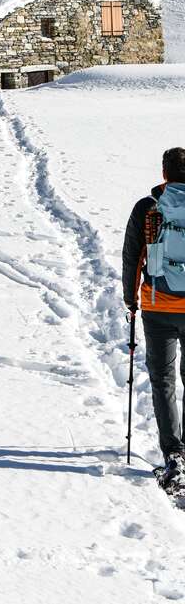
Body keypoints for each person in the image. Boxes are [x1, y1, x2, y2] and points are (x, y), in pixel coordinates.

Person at [122, 147, 185, 490]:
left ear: (164, 174)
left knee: (162, 381)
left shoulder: (148, 208)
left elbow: (132, 258)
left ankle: (174, 457)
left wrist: (130, 300)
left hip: (158, 305)